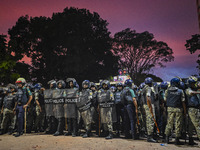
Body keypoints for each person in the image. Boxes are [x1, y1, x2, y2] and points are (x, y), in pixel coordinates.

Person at [165, 78, 186, 145]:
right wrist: (185, 111)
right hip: (178, 109)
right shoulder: (180, 91)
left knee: (169, 123)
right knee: (178, 124)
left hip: (170, 109)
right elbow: (183, 102)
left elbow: (165, 99)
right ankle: (177, 140)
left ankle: (167, 138)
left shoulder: (167, 90)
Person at [141, 77, 157, 142]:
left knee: (148, 120)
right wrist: (150, 106)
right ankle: (150, 136)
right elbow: (148, 97)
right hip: (149, 105)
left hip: (145, 105)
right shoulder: (148, 88)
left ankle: (149, 135)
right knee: (151, 120)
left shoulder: (143, 88)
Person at [186, 76, 200, 145]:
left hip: (194, 109)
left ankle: (190, 140)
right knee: (197, 125)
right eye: (194, 83)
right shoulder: (188, 89)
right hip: (192, 109)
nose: (195, 84)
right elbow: (191, 93)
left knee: (191, 125)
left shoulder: (195, 89)